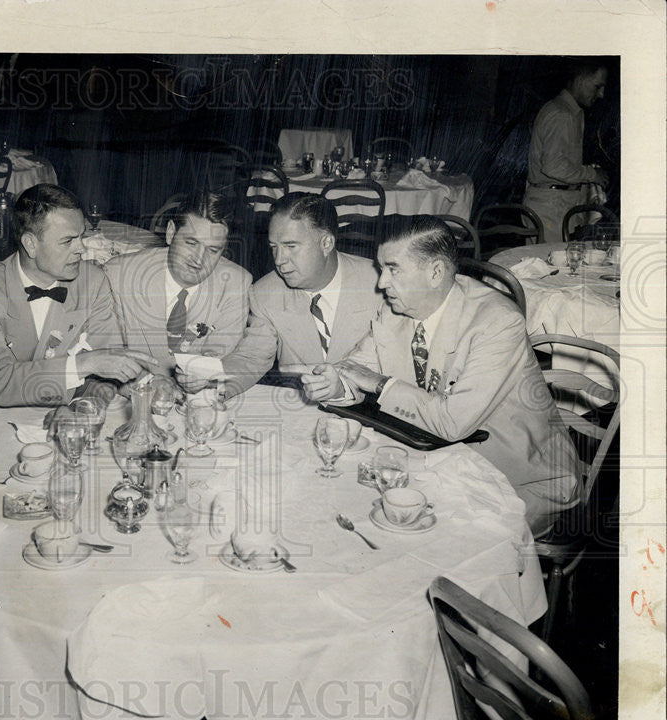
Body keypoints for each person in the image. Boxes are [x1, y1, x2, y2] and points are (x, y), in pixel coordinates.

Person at [307, 216, 580, 534]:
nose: (381, 283)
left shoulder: (497, 321)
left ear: (435, 272)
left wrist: (378, 383)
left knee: (433, 545)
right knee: (348, 512)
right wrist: (334, 384)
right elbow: (356, 369)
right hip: (441, 460)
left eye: (393, 269)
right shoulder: (397, 310)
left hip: (517, 476)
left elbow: (453, 423)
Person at [0, 184, 157, 407]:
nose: (82, 249)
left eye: (81, 237)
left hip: (72, 407)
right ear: (30, 244)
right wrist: (81, 365)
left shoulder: (93, 281)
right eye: (68, 241)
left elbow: (108, 367)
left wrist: (86, 407)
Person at [201, 192, 382, 396]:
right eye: (274, 247)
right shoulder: (265, 292)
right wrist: (210, 381)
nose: (279, 260)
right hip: (301, 406)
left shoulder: (379, 284)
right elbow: (252, 357)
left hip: (371, 408)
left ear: (326, 243)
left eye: (290, 246)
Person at [103, 190, 251, 389]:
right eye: (191, 243)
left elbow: (221, 358)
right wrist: (147, 383)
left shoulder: (236, 284)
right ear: (171, 233)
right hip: (136, 395)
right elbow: (105, 353)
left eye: (213, 250)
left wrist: (203, 378)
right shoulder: (120, 275)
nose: (199, 259)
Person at [524, 60, 610, 243]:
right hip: (550, 210)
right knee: (555, 269)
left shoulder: (567, 112)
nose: (601, 94)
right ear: (580, 79)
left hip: (552, 205)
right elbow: (553, 167)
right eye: (597, 86)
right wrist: (592, 174)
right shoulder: (562, 115)